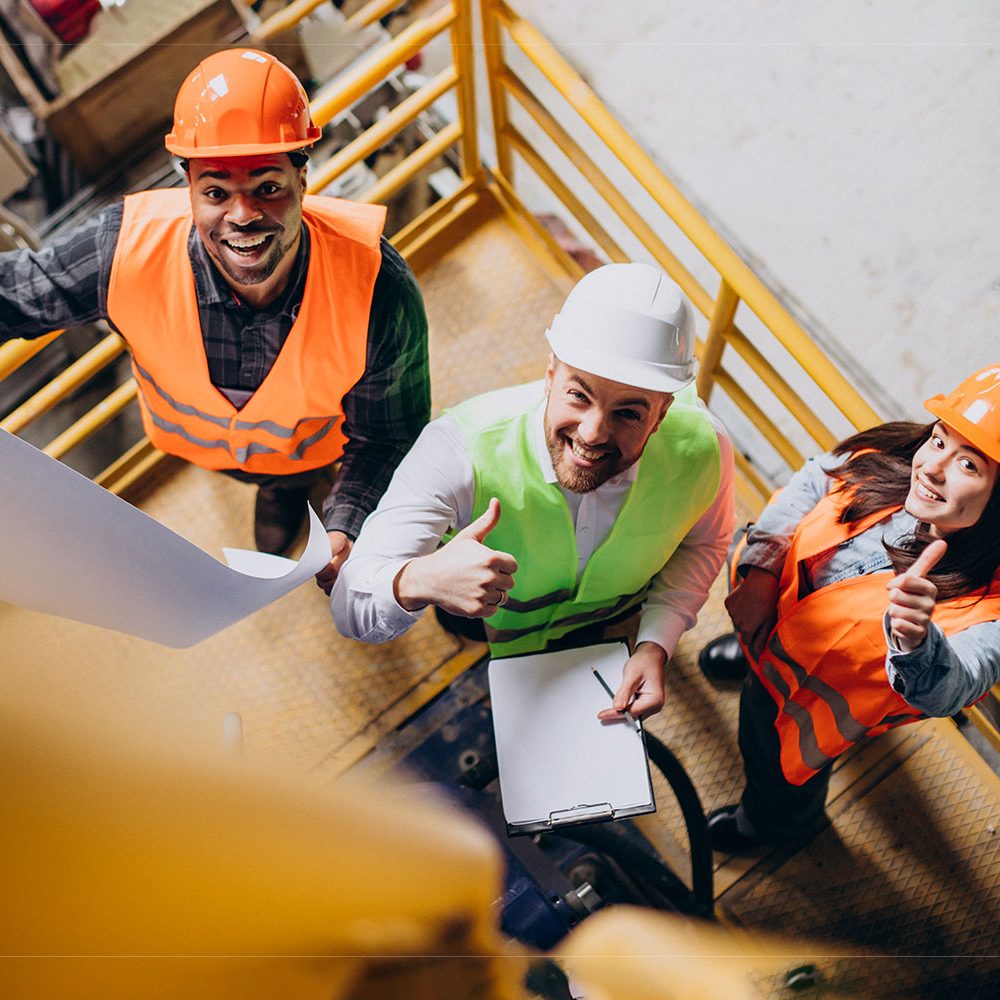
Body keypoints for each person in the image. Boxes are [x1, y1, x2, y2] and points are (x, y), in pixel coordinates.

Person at [0, 49, 430, 588]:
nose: (243, 216)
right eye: (216, 192)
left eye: (267, 187)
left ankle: (289, 489)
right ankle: (272, 490)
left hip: (307, 448)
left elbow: (386, 437)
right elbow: (12, 294)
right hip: (204, 449)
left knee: (297, 479)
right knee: (260, 477)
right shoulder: (122, 250)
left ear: (303, 178)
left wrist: (346, 524)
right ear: (189, 188)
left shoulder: (378, 289)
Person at [331, 262, 735, 721]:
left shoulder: (706, 449)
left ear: (662, 414)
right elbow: (350, 602)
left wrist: (655, 642)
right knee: (460, 623)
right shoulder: (458, 450)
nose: (593, 434)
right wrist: (424, 580)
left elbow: (704, 544)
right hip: (480, 615)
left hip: (610, 622)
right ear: (549, 374)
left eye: (628, 414)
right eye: (579, 396)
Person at [699, 365, 1000, 853]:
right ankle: (758, 660)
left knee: (774, 759)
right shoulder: (892, 459)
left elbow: (951, 687)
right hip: (772, 625)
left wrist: (915, 640)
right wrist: (762, 571)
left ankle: (777, 826)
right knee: (761, 683)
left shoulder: (991, 608)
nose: (933, 468)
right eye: (941, 440)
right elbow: (814, 479)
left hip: (808, 705)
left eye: (970, 465)